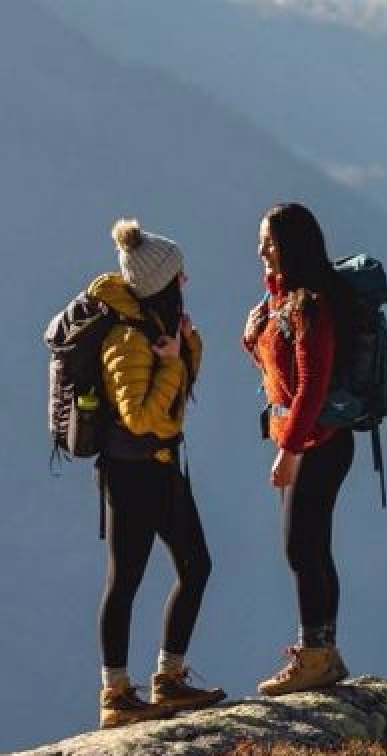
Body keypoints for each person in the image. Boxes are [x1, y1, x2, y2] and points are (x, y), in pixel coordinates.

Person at [90, 217, 227, 729]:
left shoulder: (156, 329)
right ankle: (117, 694)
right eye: (179, 275)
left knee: (196, 566)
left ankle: (168, 679)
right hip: (131, 475)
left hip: (163, 469)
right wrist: (172, 362)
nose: (185, 281)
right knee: (125, 580)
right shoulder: (125, 339)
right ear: (161, 283)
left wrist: (183, 349)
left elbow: (176, 400)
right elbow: (142, 417)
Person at [243, 201, 356, 695]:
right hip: (312, 440)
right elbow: (281, 380)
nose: (260, 248)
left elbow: (312, 386)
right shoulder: (283, 302)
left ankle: (315, 656)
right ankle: (322, 652)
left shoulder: (309, 304)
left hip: (320, 444)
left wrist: (289, 451)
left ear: (290, 244)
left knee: (300, 547)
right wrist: (253, 339)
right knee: (312, 546)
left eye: (268, 239)